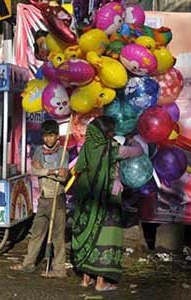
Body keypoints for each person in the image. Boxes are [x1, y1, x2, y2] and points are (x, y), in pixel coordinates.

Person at [71, 116, 143, 292]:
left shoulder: (87, 147)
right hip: (109, 201)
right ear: (106, 133)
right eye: (111, 131)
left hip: (87, 200)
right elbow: (137, 152)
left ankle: (86, 279)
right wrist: (134, 141)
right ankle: (101, 283)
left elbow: (78, 168)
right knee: (105, 237)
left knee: (88, 235)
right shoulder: (113, 149)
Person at [10, 119, 69, 278]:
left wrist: (45, 170)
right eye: (46, 136)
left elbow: (63, 177)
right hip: (43, 199)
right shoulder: (38, 151)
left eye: (51, 136)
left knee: (57, 236)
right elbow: (33, 171)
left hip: (57, 199)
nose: (48, 139)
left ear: (57, 136)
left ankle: (59, 269)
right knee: (36, 232)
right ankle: (28, 264)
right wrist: (53, 171)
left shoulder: (63, 152)